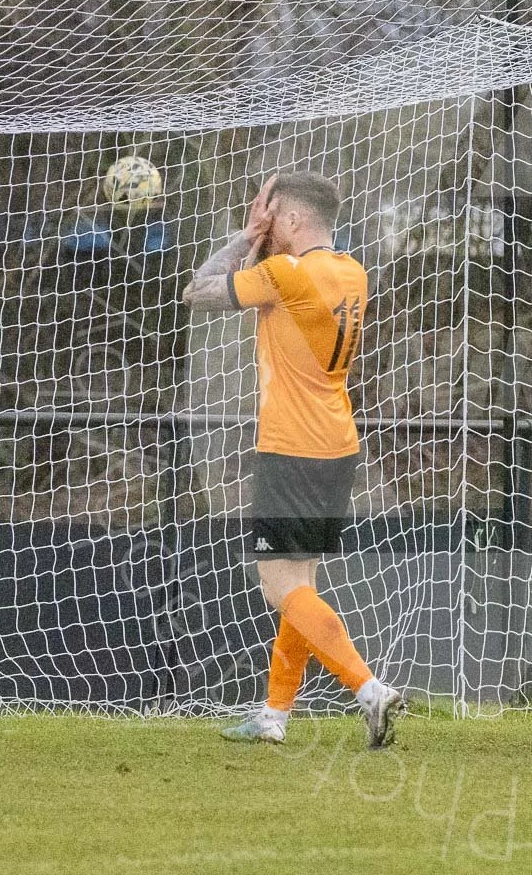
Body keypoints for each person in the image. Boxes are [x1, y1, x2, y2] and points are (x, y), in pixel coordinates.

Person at [182, 172, 403, 748]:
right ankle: (274, 715)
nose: (268, 224)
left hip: (291, 446)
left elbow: (198, 290)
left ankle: (369, 689)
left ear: (295, 219)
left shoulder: (283, 273)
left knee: (281, 588)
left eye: (273, 214)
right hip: (338, 444)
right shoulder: (352, 271)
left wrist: (246, 236)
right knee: (301, 586)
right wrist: (265, 235)